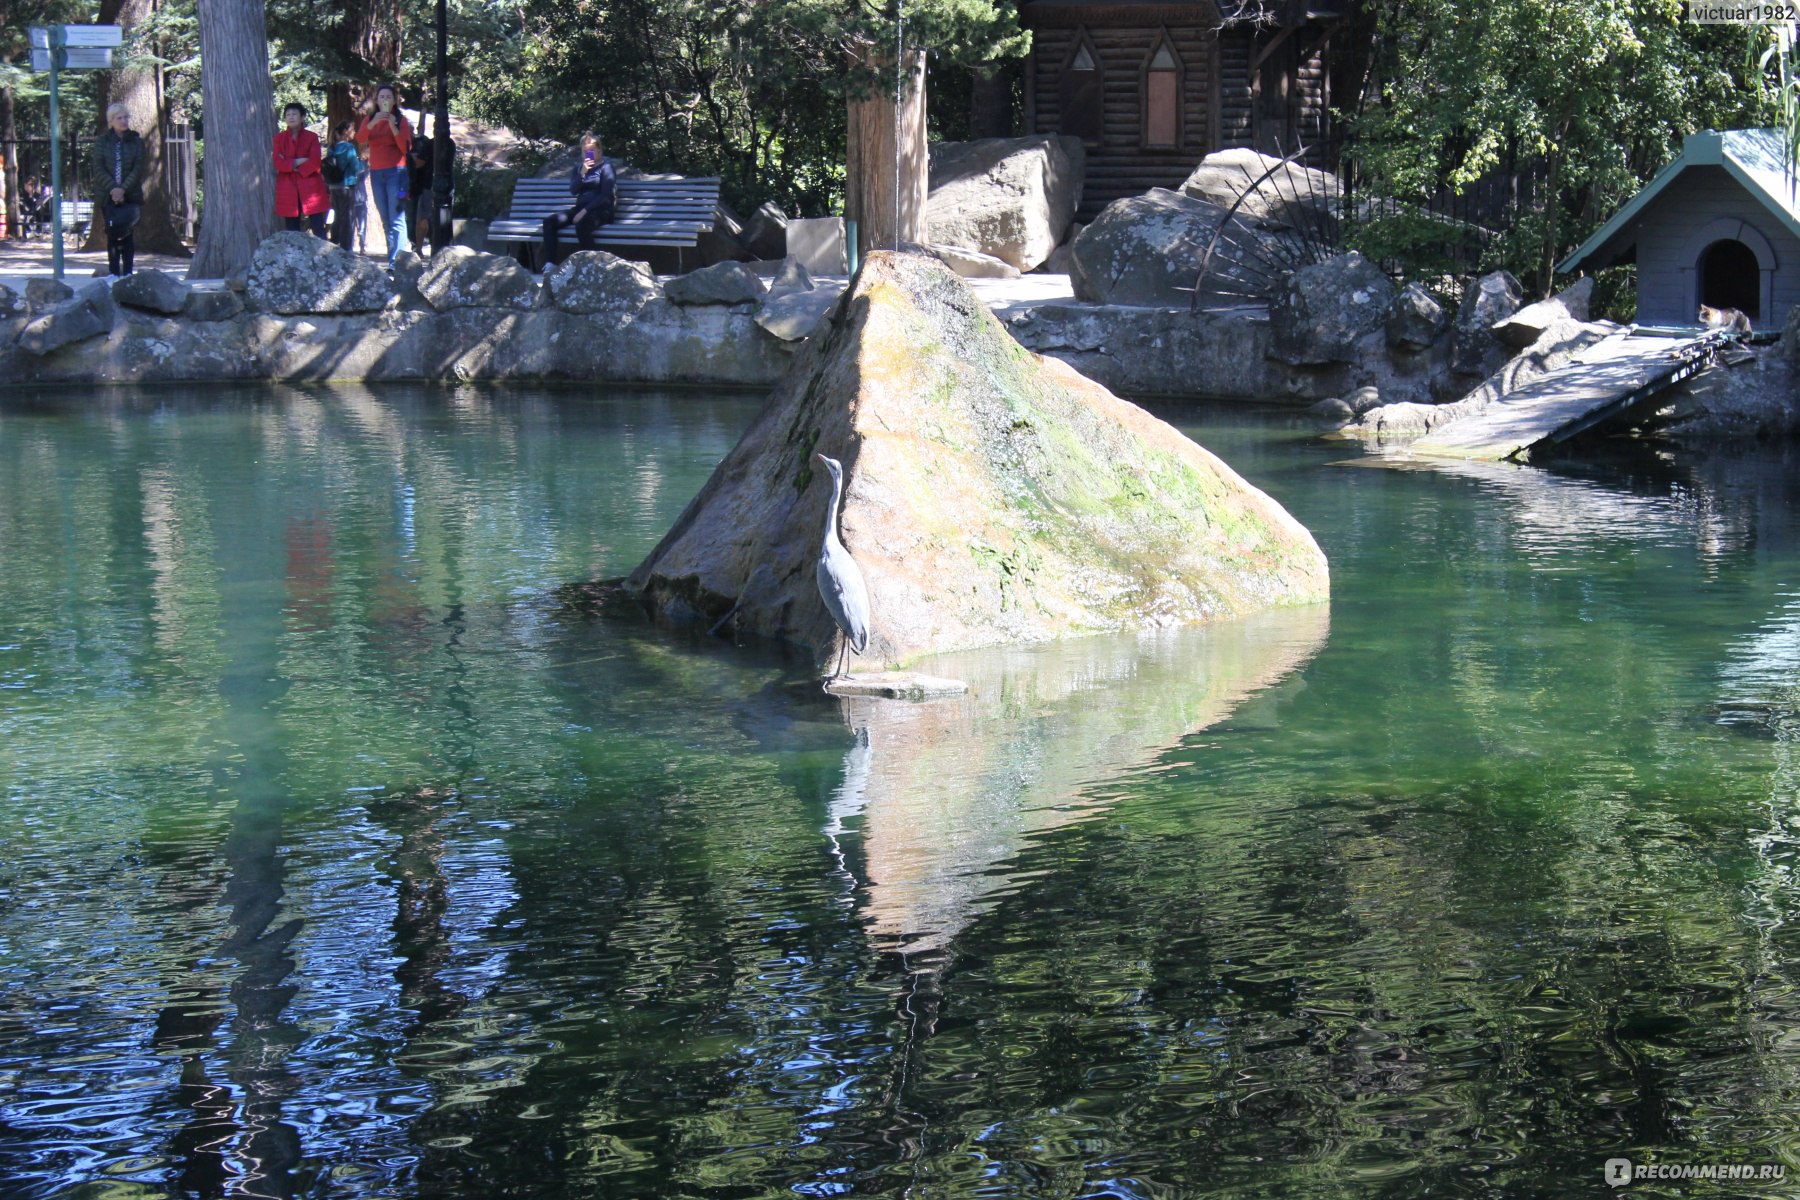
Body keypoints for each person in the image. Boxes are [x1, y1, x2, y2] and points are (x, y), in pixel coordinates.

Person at [356, 83, 413, 265]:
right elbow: (360, 138)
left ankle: (397, 263)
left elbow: (405, 147)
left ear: (394, 100)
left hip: (397, 172)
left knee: (397, 218)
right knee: (386, 220)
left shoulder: (400, 119)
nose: (385, 100)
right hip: (377, 173)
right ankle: (393, 260)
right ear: (377, 100)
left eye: (389, 97)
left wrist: (393, 125)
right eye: (382, 97)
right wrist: (373, 123)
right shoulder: (370, 119)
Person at [541, 132, 615, 266]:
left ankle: (594, 265)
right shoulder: (579, 169)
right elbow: (573, 190)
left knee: (582, 226)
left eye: (591, 150)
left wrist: (584, 212)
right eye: (585, 151)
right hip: (580, 209)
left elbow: (605, 195)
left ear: (599, 150)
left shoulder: (606, 168)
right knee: (549, 222)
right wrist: (582, 174)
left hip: (602, 210)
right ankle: (550, 264)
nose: (588, 154)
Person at [88, 102, 144, 276]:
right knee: (112, 233)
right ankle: (113, 272)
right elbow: (98, 168)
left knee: (127, 234)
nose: (123, 121)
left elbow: (138, 167)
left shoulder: (136, 141)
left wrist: (123, 190)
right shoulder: (102, 142)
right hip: (108, 196)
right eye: (119, 118)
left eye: (126, 117)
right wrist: (113, 189)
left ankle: (128, 272)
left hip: (129, 195)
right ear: (111, 121)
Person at [274, 103, 330, 237]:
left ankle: (322, 256)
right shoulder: (279, 139)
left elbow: (315, 161)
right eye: (288, 115)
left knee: (317, 224)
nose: (291, 117)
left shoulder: (311, 137)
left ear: (302, 117)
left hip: (310, 184)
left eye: (294, 114)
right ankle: (294, 256)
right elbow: (277, 162)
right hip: (287, 186)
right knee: (292, 227)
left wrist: (290, 164)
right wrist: (299, 161)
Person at [325, 120, 367, 253]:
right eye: (352, 129)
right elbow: (355, 167)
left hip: (333, 187)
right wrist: (365, 164)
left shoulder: (332, 148)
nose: (354, 132)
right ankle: (346, 248)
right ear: (345, 132)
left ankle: (334, 242)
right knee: (348, 217)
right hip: (347, 186)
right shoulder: (349, 148)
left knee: (338, 215)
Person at [405, 123, 434, 257]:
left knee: (421, 217)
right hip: (408, 185)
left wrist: (409, 159)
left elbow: (419, 163)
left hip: (422, 185)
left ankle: (418, 246)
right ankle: (415, 244)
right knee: (409, 216)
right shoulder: (402, 144)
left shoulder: (423, 143)